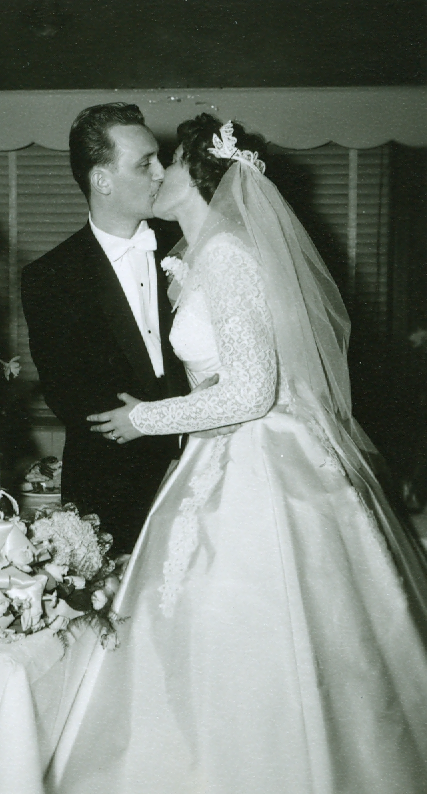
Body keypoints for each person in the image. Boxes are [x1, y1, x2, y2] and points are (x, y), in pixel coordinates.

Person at [45, 114, 427, 794]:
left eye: (169, 162)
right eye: (148, 163)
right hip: (215, 455)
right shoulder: (201, 252)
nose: (158, 171)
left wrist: (146, 417)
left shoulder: (225, 255)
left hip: (256, 461)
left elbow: (250, 392)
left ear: (200, 177)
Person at [21, 103, 188, 554]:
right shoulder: (50, 276)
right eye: (145, 163)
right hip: (112, 486)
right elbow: (67, 393)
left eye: (160, 158)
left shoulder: (190, 245)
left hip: (200, 472)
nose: (162, 172)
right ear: (102, 180)